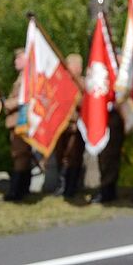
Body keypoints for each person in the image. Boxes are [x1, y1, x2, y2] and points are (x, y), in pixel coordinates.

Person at [2, 47, 34, 202]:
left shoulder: (27, 78)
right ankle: (23, 188)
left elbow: (26, 97)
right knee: (21, 155)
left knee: (20, 155)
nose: (15, 61)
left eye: (19, 58)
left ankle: (16, 191)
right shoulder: (22, 77)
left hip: (21, 121)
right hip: (17, 121)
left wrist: (8, 103)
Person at [54, 53, 86, 199]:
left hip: (75, 126)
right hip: (61, 126)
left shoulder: (83, 83)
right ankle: (62, 184)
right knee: (61, 156)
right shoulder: (61, 83)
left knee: (73, 156)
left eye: (71, 65)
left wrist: (74, 89)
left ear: (79, 67)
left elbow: (84, 103)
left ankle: (72, 187)